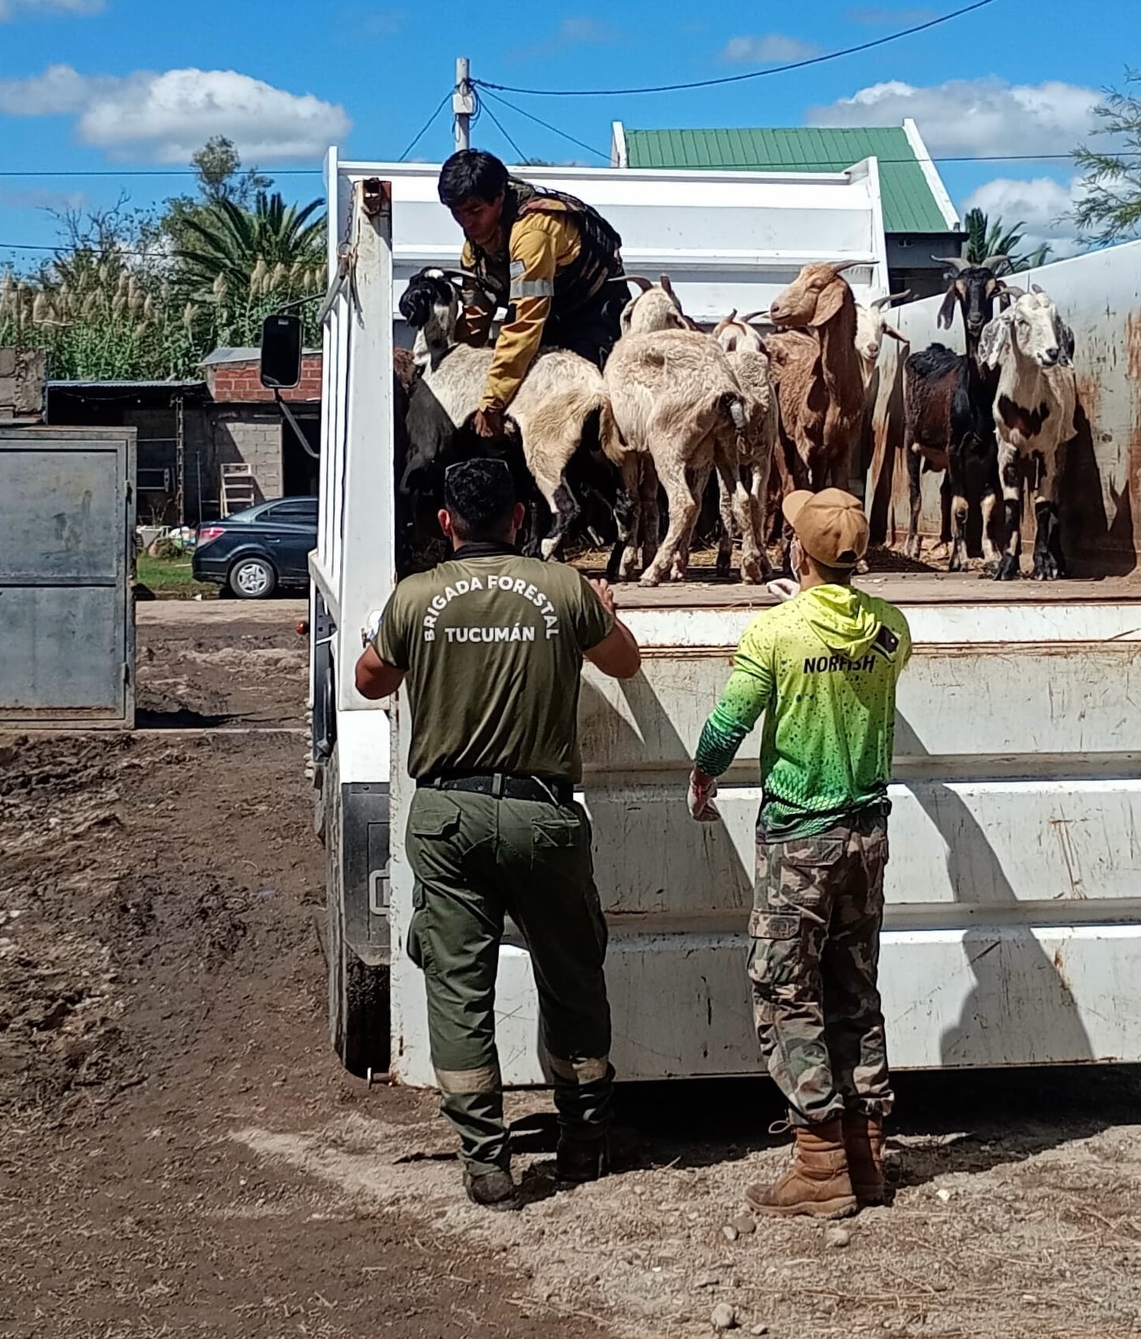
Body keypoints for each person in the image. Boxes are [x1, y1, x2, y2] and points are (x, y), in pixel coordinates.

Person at [354, 456, 641, 1208]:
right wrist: (602, 608)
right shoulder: (563, 590)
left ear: (445, 524)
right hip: (544, 815)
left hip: (448, 815)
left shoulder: (414, 598)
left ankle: (487, 1161)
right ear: (521, 518)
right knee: (572, 979)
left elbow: (368, 680)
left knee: (458, 989)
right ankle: (584, 1144)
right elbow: (625, 663)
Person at [687, 489, 910, 1219]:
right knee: (854, 985)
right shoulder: (891, 629)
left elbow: (730, 722)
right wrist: (812, 603)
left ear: (797, 552)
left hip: (799, 841)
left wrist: (704, 770)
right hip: (866, 836)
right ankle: (866, 1151)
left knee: (786, 990)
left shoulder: (773, 634)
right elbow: (852, 638)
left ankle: (818, 1162)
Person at [437, 148, 631, 440]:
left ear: (499, 198)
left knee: (586, 413)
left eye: (475, 211)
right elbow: (477, 314)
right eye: (456, 212)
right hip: (552, 318)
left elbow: (525, 322)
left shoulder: (533, 233)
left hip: (595, 313)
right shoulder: (475, 248)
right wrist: (460, 374)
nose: (466, 223)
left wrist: (492, 403)